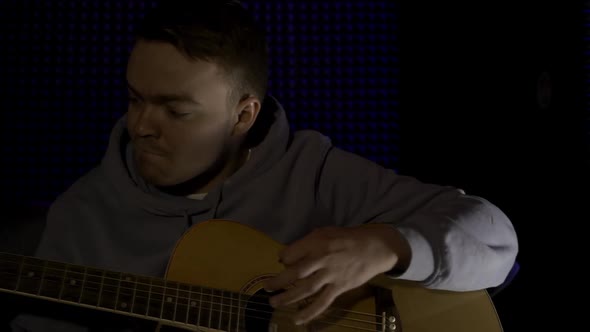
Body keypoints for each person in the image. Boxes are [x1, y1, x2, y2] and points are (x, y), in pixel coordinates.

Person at [10, 0, 518, 330]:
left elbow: (497, 240)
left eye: (176, 110)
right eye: (135, 98)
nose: (141, 124)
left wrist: (386, 245)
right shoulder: (80, 214)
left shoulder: (315, 172)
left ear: (242, 115)